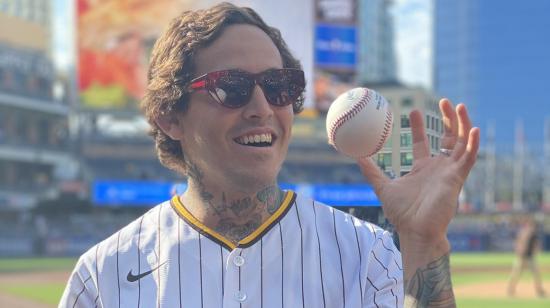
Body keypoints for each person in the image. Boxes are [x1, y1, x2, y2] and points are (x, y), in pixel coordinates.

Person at [59, 3, 479, 307]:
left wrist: (424, 245)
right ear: (171, 117)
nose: (262, 107)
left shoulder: (365, 253)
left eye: (279, 85)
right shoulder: (104, 276)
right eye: (233, 86)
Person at [507, 216, 546, 297]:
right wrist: (518, 250)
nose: (531, 226)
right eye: (529, 224)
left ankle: (539, 290)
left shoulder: (533, 233)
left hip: (530, 257)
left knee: (536, 274)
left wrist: (536, 250)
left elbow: (537, 244)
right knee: (516, 274)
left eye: (531, 224)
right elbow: (518, 243)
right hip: (522, 257)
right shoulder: (524, 232)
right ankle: (511, 289)